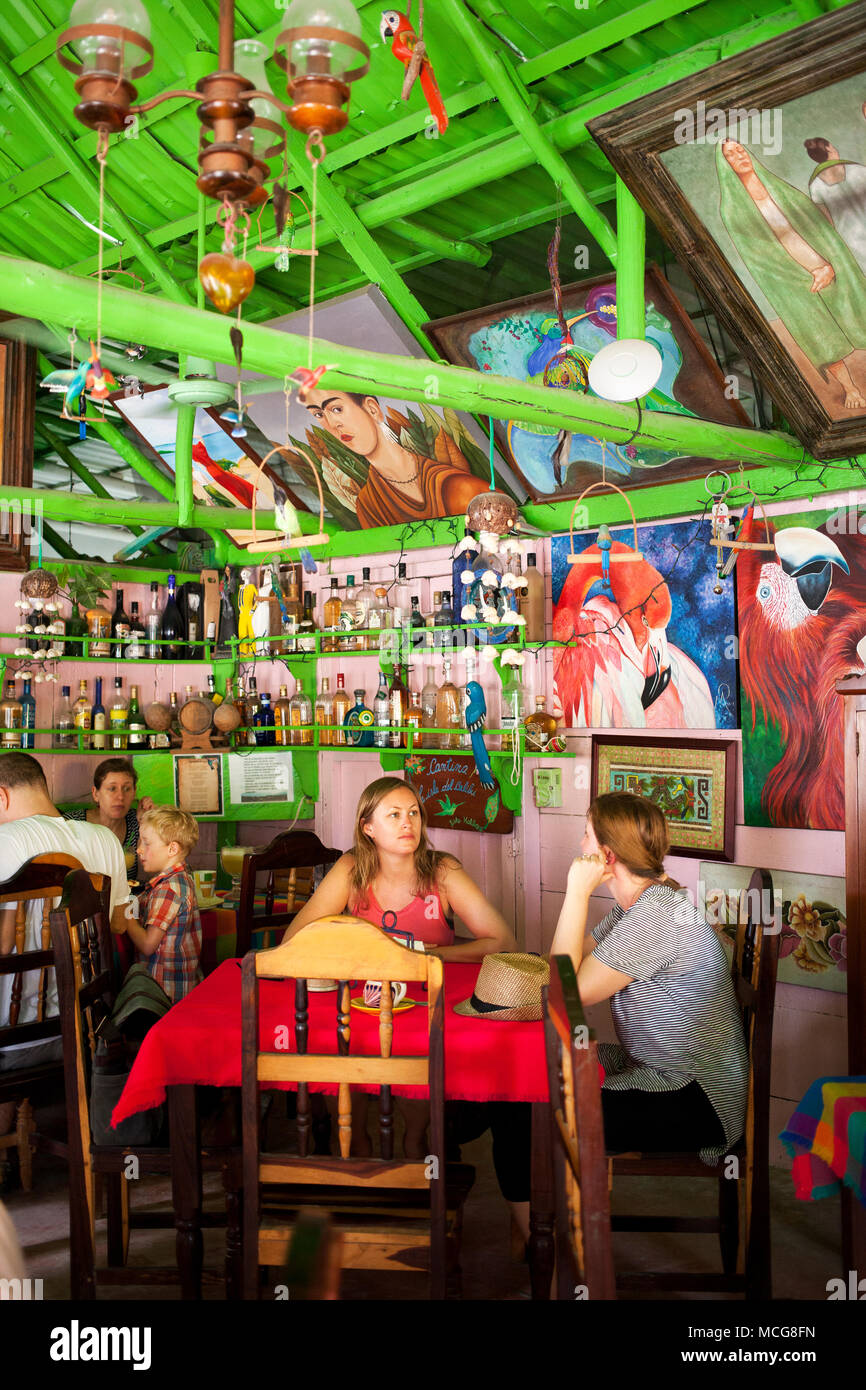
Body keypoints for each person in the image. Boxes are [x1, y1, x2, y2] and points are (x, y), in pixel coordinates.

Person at [284, 777, 530, 1240]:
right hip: (356, 1009)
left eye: (414, 812)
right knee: (349, 1116)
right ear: (368, 826)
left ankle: (418, 1211)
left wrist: (424, 955)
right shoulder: (352, 869)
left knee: (417, 1132)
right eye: (393, 814)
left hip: (425, 1015)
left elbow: (503, 941)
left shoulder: (442, 870)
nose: (407, 822)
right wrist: (358, 947)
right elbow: (294, 941)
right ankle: (361, 1213)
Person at [550, 792, 748, 1159]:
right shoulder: (642, 905)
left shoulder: (655, 916)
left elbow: (567, 991)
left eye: (586, 834)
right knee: (543, 1073)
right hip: (658, 1070)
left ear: (606, 855)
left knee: (548, 1109)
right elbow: (568, 962)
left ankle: (551, 1213)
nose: (580, 845)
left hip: (697, 1096)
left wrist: (576, 890)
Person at [0, 752, 132, 1177]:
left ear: (1, 797)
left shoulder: (5, 842)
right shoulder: (104, 840)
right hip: (83, 1027)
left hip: (12, 1036)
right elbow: (116, 924)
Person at [717, 139, 866, 409]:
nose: (739, 156)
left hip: (823, 262)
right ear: (725, 164)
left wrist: (827, 263)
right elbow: (759, 257)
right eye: (730, 154)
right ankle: (851, 388)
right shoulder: (731, 210)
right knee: (817, 330)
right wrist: (806, 272)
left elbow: (817, 226)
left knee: (858, 309)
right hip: (791, 277)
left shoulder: (781, 189)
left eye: (740, 150)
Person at [301, 389, 488, 528]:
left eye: (337, 409)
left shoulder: (456, 485)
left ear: (372, 409)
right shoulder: (368, 504)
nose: (333, 424)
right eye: (319, 414)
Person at [114, 806, 202, 1004]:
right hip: (178, 988)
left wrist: (126, 916)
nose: (139, 849)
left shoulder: (169, 889)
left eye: (146, 843)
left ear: (172, 849)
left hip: (164, 993)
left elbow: (147, 945)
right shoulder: (180, 879)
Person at [63, 758, 153, 873]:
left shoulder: (136, 823)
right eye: (112, 789)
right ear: (96, 794)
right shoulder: (73, 823)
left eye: (127, 789)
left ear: (134, 793)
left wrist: (145, 823)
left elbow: (147, 874)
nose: (120, 796)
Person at [804, 137, 866, 274]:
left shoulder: (815, 186)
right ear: (829, 149)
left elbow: (828, 222)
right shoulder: (859, 170)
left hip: (850, 236)